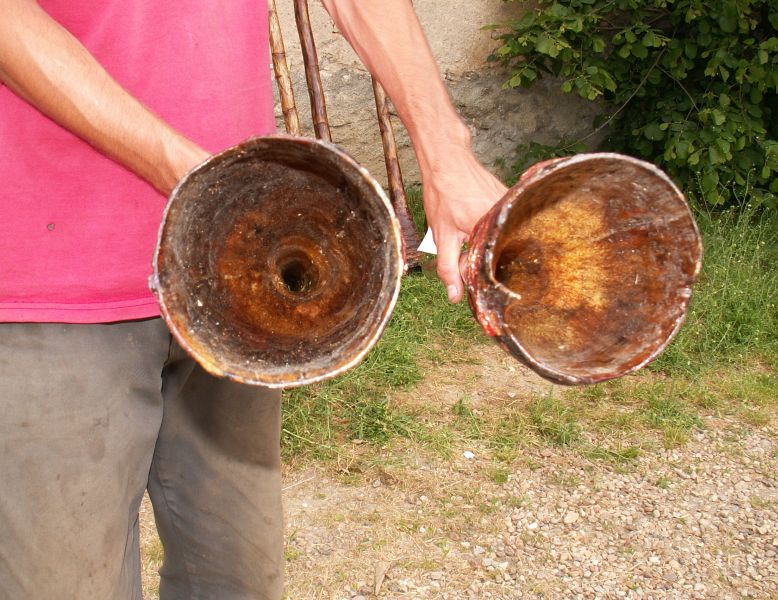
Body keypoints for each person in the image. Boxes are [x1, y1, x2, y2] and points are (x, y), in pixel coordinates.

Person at [0, 1, 507, 598]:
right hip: (53, 280)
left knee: (239, 581)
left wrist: (445, 147)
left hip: (241, 275)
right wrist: (198, 179)